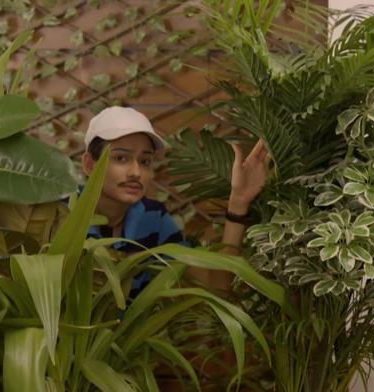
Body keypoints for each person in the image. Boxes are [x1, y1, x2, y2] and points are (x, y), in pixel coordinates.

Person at [81, 106, 271, 296]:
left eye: (145, 161)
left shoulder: (151, 217)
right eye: (120, 158)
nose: (136, 172)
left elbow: (215, 283)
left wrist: (238, 201)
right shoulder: (65, 217)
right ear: (89, 164)